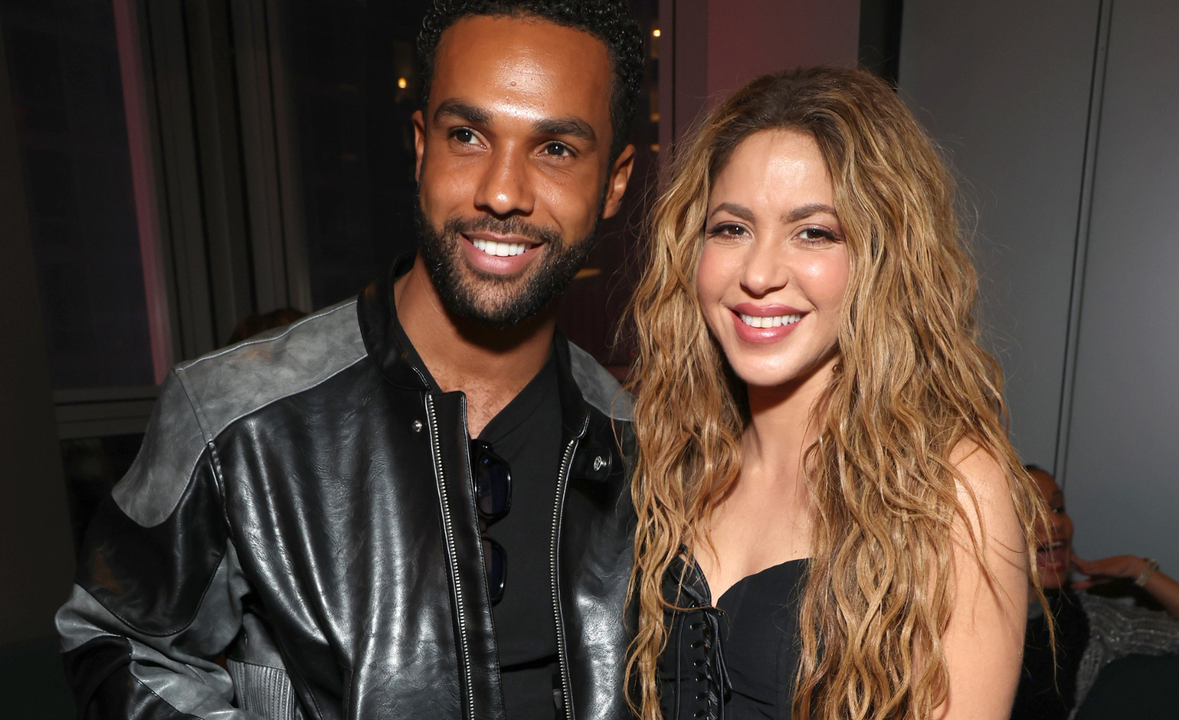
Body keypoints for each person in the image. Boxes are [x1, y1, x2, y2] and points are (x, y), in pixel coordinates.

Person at [55, 2, 643, 719]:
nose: (501, 192)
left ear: (613, 183)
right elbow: (117, 639)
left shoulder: (641, 443)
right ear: (422, 147)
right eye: (467, 135)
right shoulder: (236, 414)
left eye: (555, 150)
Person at [625, 67, 1047, 720]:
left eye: (814, 232)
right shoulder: (673, 457)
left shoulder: (948, 491)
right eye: (731, 228)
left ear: (885, 257)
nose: (759, 274)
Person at [1010, 466, 1179, 720]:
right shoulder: (946, 622)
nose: (1056, 522)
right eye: (1030, 512)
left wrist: (1137, 569)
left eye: (1058, 509)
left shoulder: (1091, 619)